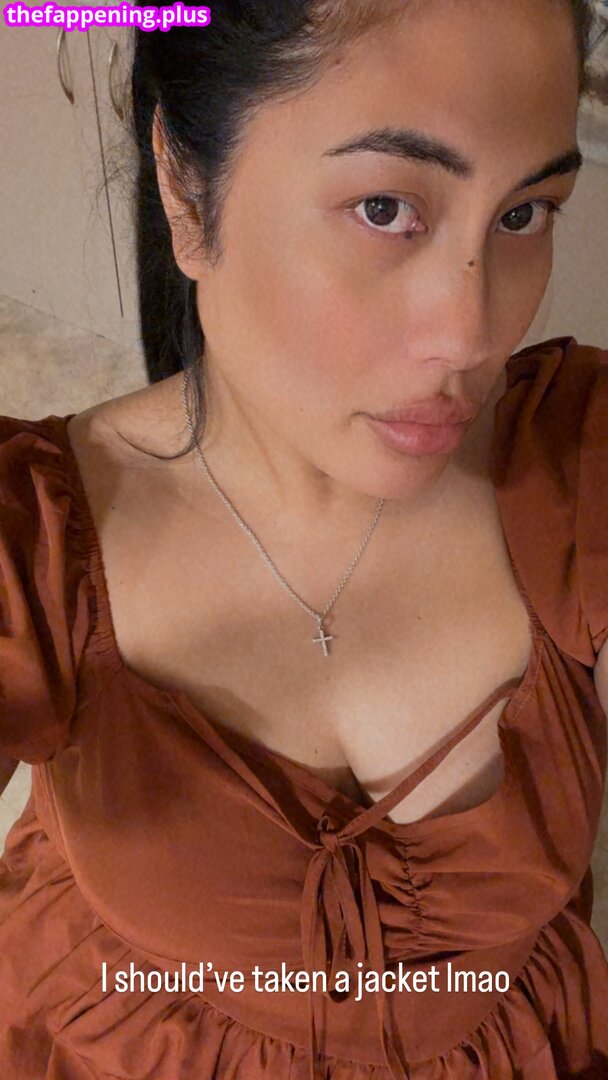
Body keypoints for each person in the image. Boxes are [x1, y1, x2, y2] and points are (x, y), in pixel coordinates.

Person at [1, 1, 607, 1076]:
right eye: (384, 207)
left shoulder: (578, 460)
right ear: (187, 191)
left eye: (523, 213)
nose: (471, 335)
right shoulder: (34, 539)